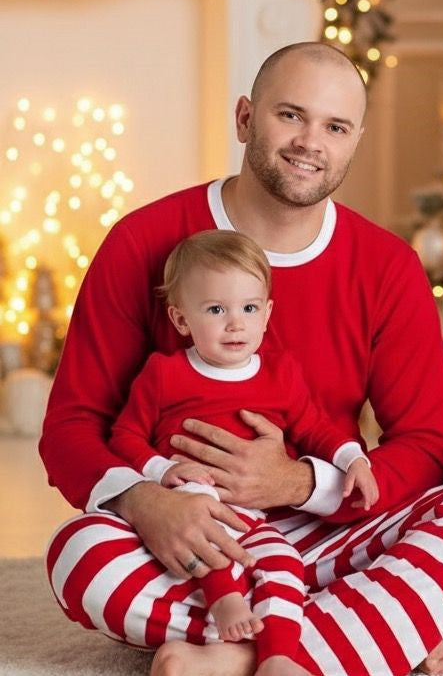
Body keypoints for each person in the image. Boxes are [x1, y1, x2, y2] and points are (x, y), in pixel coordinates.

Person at [42, 42, 443, 676]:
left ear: (353, 142)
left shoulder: (385, 266)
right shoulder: (142, 241)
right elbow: (71, 427)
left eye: (335, 126)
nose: (309, 141)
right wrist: (145, 502)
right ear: (245, 118)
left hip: (333, 530)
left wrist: (299, 483)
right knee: (81, 556)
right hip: (206, 539)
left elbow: (426, 443)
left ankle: (239, 657)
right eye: (290, 115)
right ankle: (373, 630)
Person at [109, 229, 377, 666]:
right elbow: (124, 436)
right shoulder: (164, 374)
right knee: (199, 504)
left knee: (284, 565)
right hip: (191, 503)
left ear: (267, 313)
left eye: (249, 308)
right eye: (216, 310)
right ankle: (223, 601)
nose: (236, 323)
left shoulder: (280, 373)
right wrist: (160, 470)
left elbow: (315, 428)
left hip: (257, 516)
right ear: (181, 320)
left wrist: (353, 459)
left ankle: (277, 658)